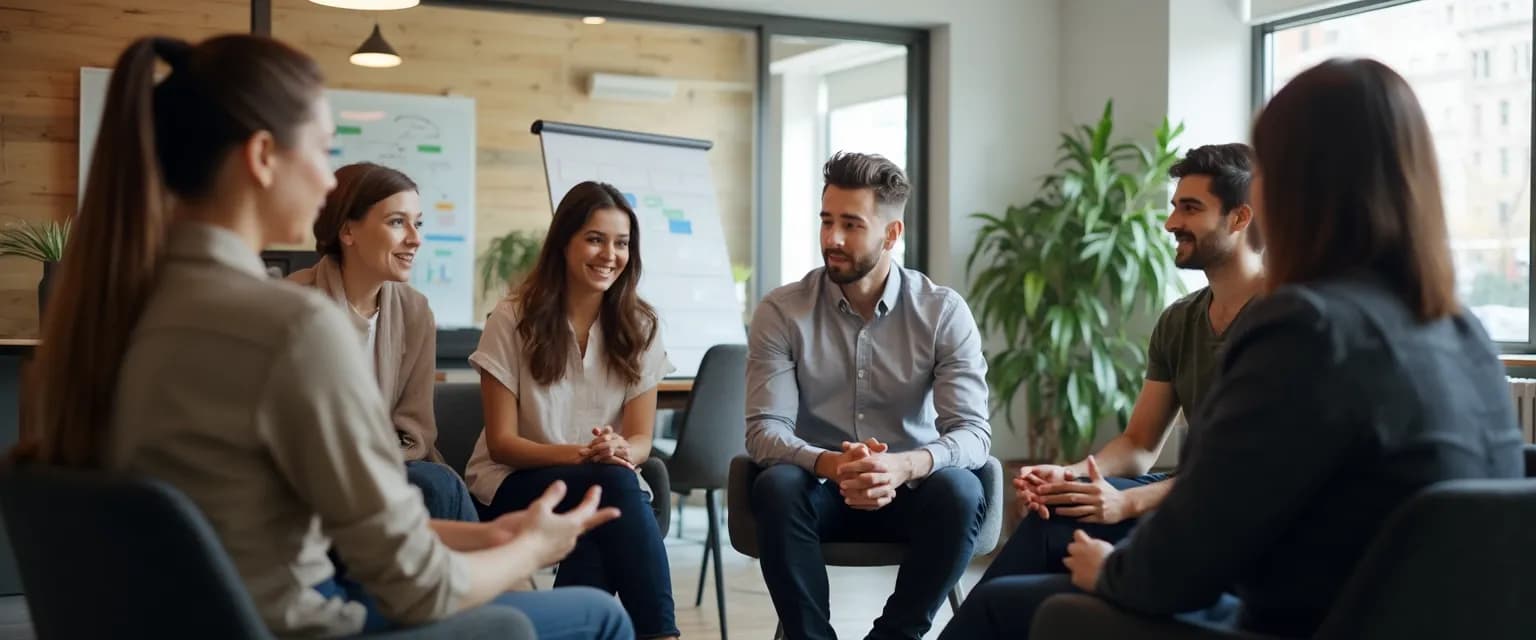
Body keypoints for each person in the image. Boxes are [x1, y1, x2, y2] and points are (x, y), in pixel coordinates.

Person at [15, 33, 630, 639]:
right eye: (321, 149)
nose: (327, 183)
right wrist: (533, 550)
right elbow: (420, 588)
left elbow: (277, 522)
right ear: (261, 157)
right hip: (299, 623)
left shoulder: (100, 319)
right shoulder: (293, 326)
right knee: (600, 615)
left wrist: (493, 534)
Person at [940, 57, 1525, 639]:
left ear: (1292, 187)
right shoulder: (1462, 332)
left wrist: (1112, 571)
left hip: (1299, 626)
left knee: (1019, 609)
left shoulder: (1306, 329)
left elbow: (1178, 567)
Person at [977, 143, 1264, 585]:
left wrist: (1127, 502)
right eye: (1174, 208)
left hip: (1233, 516)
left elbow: (1243, 472)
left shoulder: (1282, 320)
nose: (1171, 224)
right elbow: (1140, 443)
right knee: (1052, 514)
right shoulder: (1179, 320)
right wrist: (1073, 474)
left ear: (1240, 218)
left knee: (1027, 592)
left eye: (1190, 209)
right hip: (1179, 497)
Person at [746, 151, 991, 640]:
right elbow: (763, 431)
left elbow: (973, 433)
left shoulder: (942, 312)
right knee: (776, 486)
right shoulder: (781, 310)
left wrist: (905, 466)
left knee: (962, 490)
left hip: (910, 492)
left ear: (891, 234)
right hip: (818, 490)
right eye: (826, 221)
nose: (832, 239)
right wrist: (831, 463)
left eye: (851, 225)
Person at [465, 181, 679, 639]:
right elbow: (503, 445)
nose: (609, 254)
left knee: (600, 515)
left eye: (621, 243)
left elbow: (641, 440)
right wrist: (586, 456)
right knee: (613, 486)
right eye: (595, 239)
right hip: (513, 484)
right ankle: (661, 634)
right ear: (564, 242)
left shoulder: (642, 325)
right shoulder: (511, 318)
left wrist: (621, 447)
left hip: (604, 484)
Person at [289, 162, 476, 522]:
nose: (415, 238)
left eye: (417, 223)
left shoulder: (415, 311)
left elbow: (415, 431)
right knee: (436, 486)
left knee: (436, 483)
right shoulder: (294, 302)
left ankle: (481, 575)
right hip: (315, 475)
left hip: (389, 465)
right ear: (347, 231)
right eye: (397, 222)